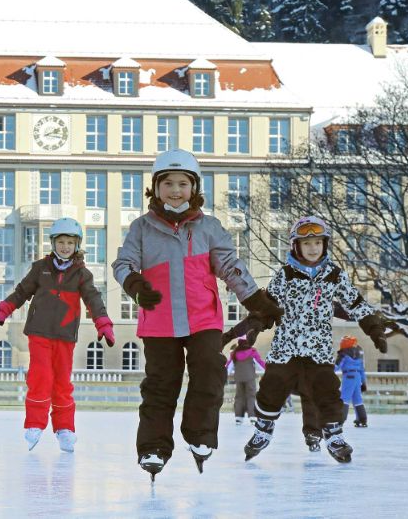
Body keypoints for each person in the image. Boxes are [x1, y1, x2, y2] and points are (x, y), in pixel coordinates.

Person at [111, 149, 283, 479]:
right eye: (168, 184)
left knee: (210, 370)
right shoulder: (142, 228)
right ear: (155, 188)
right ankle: (153, 447)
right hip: (160, 321)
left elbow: (230, 267)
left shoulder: (209, 228)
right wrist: (135, 284)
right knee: (160, 386)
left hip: (202, 318)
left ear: (194, 188)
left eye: (182, 184)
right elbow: (123, 263)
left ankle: (200, 436)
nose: (175, 191)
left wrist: (255, 299)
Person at [239, 216, 389, 464]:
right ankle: (263, 429)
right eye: (307, 243)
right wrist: (255, 326)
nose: (313, 248)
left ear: (325, 245)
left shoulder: (334, 275)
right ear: (296, 246)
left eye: (318, 243)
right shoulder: (285, 274)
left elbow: (354, 302)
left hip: (318, 350)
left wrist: (374, 328)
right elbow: (268, 305)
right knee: (272, 386)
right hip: (286, 348)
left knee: (327, 390)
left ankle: (333, 434)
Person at [0, 217, 114, 452]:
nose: (65, 247)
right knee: (41, 377)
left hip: (65, 335)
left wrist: (103, 323)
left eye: (70, 242)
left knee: (61, 382)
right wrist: (3, 309)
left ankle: (64, 428)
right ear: (53, 243)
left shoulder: (82, 274)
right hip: (39, 332)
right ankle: (35, 424)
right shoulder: (41, 268)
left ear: (77, 245)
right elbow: (21, 292)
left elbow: (94, 299)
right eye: (61, 241)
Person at [226, 337, 265, 426]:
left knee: (239, 396)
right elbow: (259, 363)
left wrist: (225, 374)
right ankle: (252, 417)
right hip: (250, 378)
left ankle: (238, 418)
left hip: (239, 378)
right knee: (251, 396)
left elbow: (229, 365)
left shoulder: (235, 353)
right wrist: (267, 370)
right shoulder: (252, 352)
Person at [335, 336, 369, 428]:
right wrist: (364, 382)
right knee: (357, 399)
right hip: (357, 377)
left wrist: (327, 370)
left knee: (344, 398)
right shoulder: (359, 353)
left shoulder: (343, 354)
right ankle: (362, 419)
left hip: (348, 377)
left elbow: (336, 367)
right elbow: (362, 369)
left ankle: (340, 419)